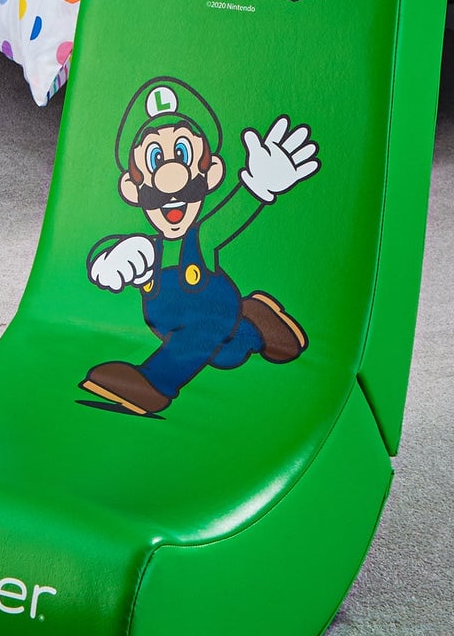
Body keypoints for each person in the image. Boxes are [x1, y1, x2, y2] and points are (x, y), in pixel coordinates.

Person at [82, 77, 320, 415]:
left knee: (200, 334)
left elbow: (228, 219)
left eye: (182, 153)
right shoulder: (144, 249)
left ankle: (156, 384)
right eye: (155, 158)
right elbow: (113, 250)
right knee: (226, 354)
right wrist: (109, 260)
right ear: (132, 188)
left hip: (212, 311)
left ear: (212, 172)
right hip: (170, 322)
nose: (171, 179)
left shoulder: (202, 236)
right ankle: (256, 323)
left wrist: (258, 186)